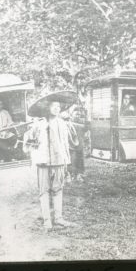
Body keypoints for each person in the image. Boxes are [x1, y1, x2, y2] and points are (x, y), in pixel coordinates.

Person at [24, 96, 79, 230]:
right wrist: (34, 134)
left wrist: (66, 160)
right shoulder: (39, 125)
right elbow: (29, 143)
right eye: (54, 106)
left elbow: (68, 143)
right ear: (47, 108)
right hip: (44, 162)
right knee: (44, 191)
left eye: (59, 106)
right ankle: (47, 220)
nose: (57, 108)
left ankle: (59, 218)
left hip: (59, 161)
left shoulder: (63, 124)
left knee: (58, 189)